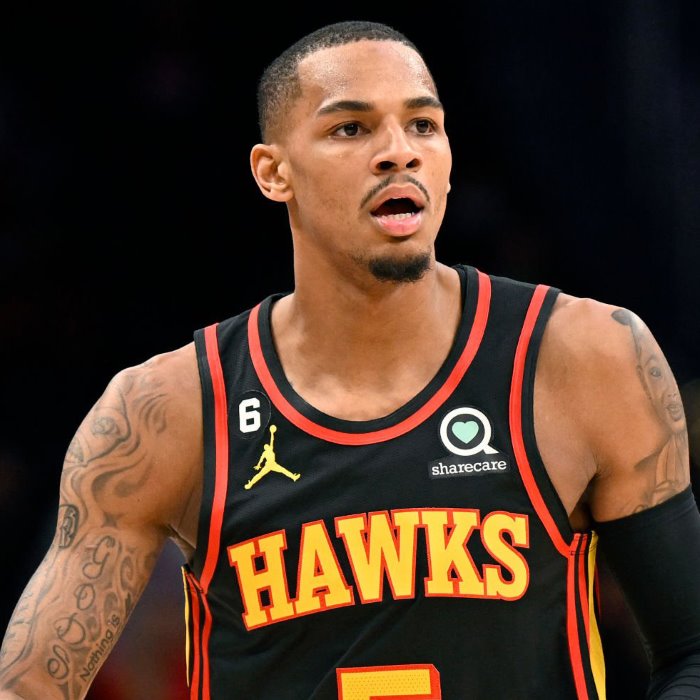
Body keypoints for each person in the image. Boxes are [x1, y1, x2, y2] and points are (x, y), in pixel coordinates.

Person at [1, 18, 699, 700]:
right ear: (273, 173)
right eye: (351, 129)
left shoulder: (583, 357)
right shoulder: (168, 411)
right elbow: (31, 684)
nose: (399, 152)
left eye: (422, 125)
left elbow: (691, 653)